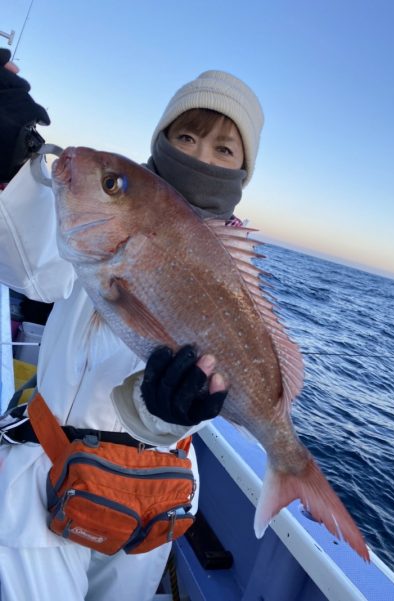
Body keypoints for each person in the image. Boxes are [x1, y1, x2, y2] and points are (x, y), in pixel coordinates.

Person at [0, 49, 264, 601]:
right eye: (187, 137)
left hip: (155, 495)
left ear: (244, 168)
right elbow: (34, 267)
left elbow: (218, 373)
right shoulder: (107, 208)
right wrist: (7, 161)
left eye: (223, 147)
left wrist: (171, 414)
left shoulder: (233, 268)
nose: (200, 156)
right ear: (161, 137)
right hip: (49, 478)